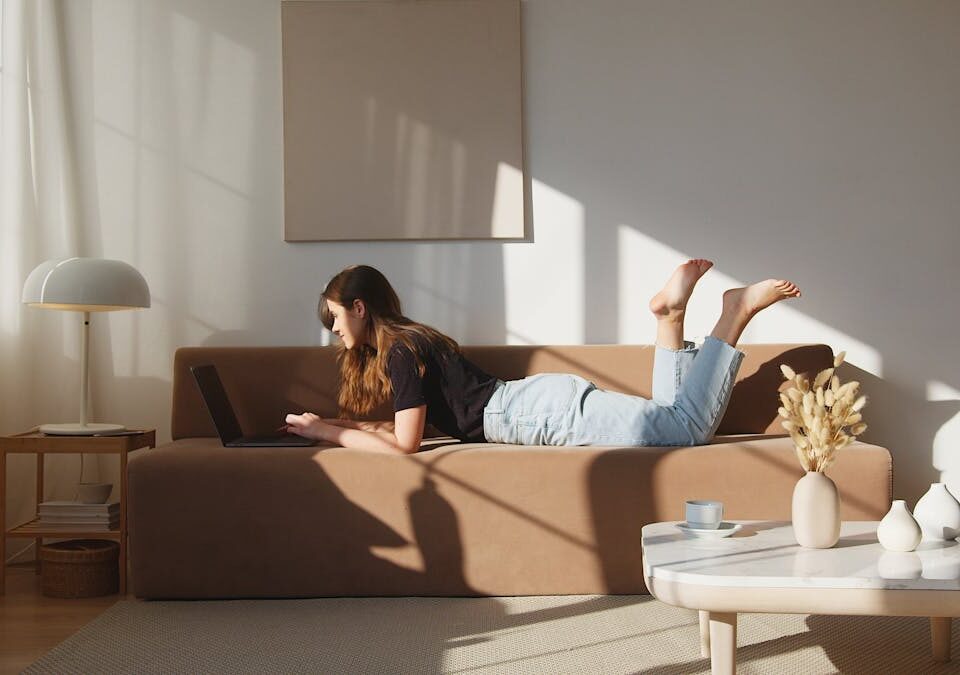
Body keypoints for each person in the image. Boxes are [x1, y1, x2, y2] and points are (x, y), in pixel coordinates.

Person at [284, 262, 801, 454]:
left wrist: (327, 434)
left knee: (687, 429)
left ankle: (733, 314)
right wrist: (326, 421)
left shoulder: (399, 352)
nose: (332, 330)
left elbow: (405, 443)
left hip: (531, 414)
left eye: (333, 317)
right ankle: (669, 317)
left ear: (358, 306)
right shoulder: (410, 341)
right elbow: (401, 424)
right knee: (671, 420)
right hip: (531, 406)